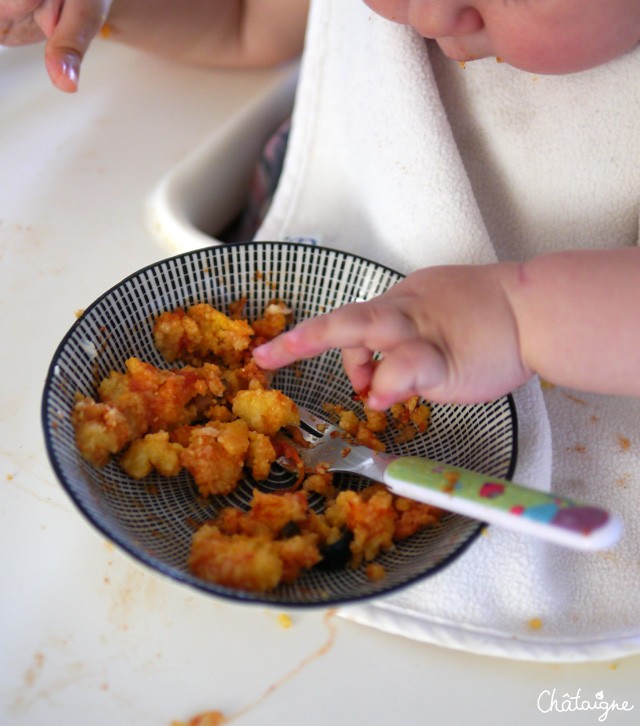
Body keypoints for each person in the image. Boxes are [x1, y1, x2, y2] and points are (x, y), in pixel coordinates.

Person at [3, 0, 639, 411]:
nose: (430, 9)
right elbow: (245, 20)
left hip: (541, 388)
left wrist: (521, 318)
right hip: (282, 284)